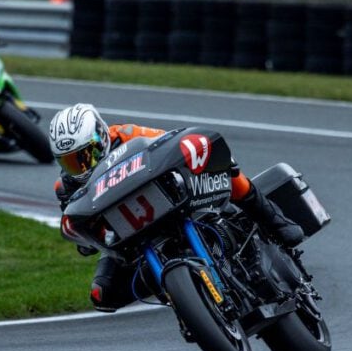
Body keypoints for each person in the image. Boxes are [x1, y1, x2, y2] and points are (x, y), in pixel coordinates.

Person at [48, 103, 305, 313]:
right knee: (102, 294)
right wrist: (85, 238)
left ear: (101, 136)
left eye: (85, 155)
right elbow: (79, 228)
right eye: (70, 162)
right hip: (131, 237)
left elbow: (171, 144)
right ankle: (182, 293)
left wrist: (201, 152)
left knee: (230, 171)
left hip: (172, 203)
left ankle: (274, 219)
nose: (80, 166)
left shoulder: (126, 133)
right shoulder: (66, 187)